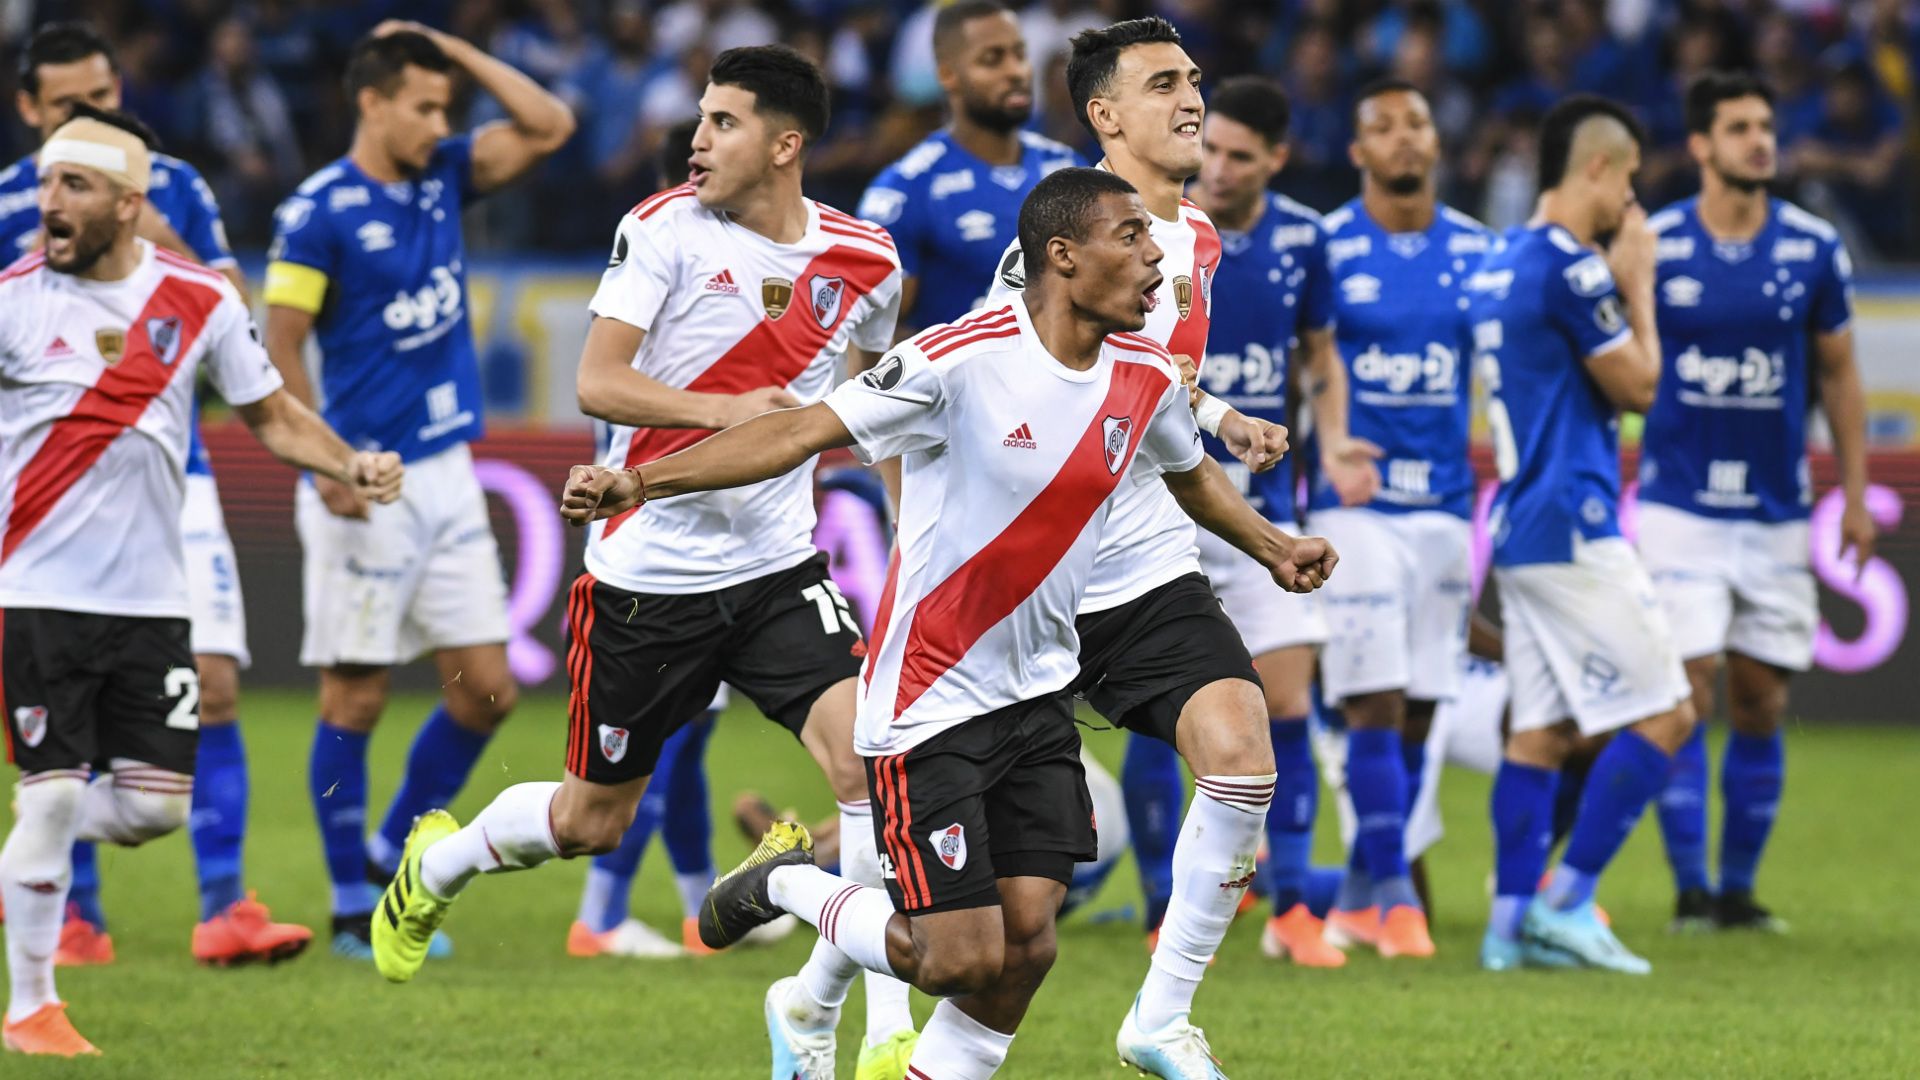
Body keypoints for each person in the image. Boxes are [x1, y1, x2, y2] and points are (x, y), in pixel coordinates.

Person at [578, 165, 1320, 1080]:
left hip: (1038, 697)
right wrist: (640, 480)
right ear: (1062, 256)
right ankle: (790, 882)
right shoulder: (957, 360)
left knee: (1027, 948)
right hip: (930, 706)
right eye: (1130, 239)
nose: (1153, 259)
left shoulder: (1145, 375)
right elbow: (800, 431)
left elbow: (1188, 472)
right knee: (957, 960)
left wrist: (1273, 547)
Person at [365, 44, 919, 1080]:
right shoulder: (662, 228)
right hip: (647, 581)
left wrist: (909, 526)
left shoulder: (867, 259)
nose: (696, 139)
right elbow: (598, 381)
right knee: (591, 823)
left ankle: (881, 1028)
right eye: (701, 118)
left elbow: (874, 402)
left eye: (723, 122)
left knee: (869, 766)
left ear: (785, 145)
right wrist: (726, 410)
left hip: (778, 568)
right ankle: (438, 863)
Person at [979, 23, 1346, 1075]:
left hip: (1145, 560)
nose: (1192, 100)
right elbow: (996, 377)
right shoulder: (1060, 235)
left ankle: (1160, 1017)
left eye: (1193, 80)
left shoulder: (1198, 238)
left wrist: (1221, 419)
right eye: (1162, 85)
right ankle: (811, 955)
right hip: (1033, 578)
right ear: (1105, 116)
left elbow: (1155, 380)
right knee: (987, 905)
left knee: (1241, 749)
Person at [0, 108, 402, 1056]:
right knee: (52, 793)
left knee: (152, 809)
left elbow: (273, 414)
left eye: (74, 186)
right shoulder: (13, 299)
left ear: (128, 204)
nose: (49, 202)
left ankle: (30, 848)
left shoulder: (199, 300)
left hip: (151, 602)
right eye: (46, 182)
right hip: (37, 593)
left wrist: (348, 462)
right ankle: (30, 1009)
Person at [0, 20, 310, 967]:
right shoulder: (14, 203)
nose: (95, 114)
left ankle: (225, 906)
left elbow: (228, 308)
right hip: (51, 493)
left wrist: (140, 226)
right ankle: (72, 915)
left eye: (107, 97)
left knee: (214, 685)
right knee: (67, 741)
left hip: (177, 475)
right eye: (70, 104)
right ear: (29, 109)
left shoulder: (175, 187)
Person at [261, 22, 573, 960]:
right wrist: (326, 465)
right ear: (371, 102)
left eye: (447, 108)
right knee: (354, 698)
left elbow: (550, 124)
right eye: (424, 105)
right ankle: (348, 907)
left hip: (449, 469)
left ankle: (389, 859)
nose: (441, 124)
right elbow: (279, 344)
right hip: (368, 474)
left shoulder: (442, 174)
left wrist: (449, 46)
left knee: (487, 693)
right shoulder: (317, 211)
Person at [1467, 94, 1698, 974]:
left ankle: (1505, 930)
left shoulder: (1499, 261)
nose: (1632, 202)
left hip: (1521, 521)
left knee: (1540, 733)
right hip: (1573, 519)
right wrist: (1637, 281)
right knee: (1669, 713)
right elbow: (1639, 389)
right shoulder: (1572, 267)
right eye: (1629, 179)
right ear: (1595, 167)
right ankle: (1565, 902)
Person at [1640, 71, 1871, 934]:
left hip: (1776, 509)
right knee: (1687, 689)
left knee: (1761, 700)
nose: (1760, 141)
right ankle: (1690, 891)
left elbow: (1840, 375)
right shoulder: (1654, 242)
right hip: (1678, 505)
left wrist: (1855, 494)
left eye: (1766, 125)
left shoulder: (1813, 247)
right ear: (1701, 145)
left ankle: (1737, 892)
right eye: (1739, 127)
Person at [1185, 73, 1371, 970]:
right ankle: (1165, 909)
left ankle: (1292, 907)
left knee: (1289, 700)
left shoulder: (1305, 237)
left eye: (1238, 156)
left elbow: (1320, 354)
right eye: (1210, 149)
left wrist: (1335, 440)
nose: (1218, 168)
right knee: (1158, 715)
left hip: (1265, 504)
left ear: (1277, 159)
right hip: (1167, 502)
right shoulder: (1165, 229)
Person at [1311, 78, 1490, 959]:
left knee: (1419, 708)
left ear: (1436, 140)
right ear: (1358, 152)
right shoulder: (1325, 246)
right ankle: (1395, 904)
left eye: (1417, 122)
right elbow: (1306, 360)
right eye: (1383, 126)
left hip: (1446, 508)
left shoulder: (1479, 251)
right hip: (1358, 505)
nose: (1404, 138)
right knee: (1373, 698)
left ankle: (1354, 896)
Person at [857, 0, 1080, 337]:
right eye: (992, 59)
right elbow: (871, 337)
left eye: (1020, 54)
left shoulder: (1069, 168)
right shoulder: (905, 190)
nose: (1016, 71)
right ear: (948, 75)